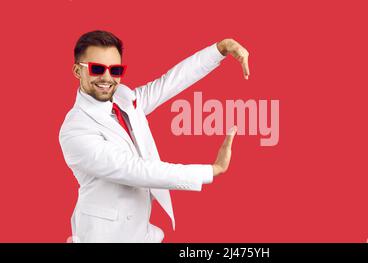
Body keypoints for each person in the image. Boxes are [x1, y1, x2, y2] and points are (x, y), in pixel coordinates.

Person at [59, 30, 250, 242]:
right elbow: (135, 170)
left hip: (141, 234)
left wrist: (220, 49)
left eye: (115, 69)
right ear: (77, 70)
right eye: (97, 69)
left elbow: (169, 83)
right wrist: (210, 171)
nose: (107, 77)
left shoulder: (123, 98)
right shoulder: (75, 129)